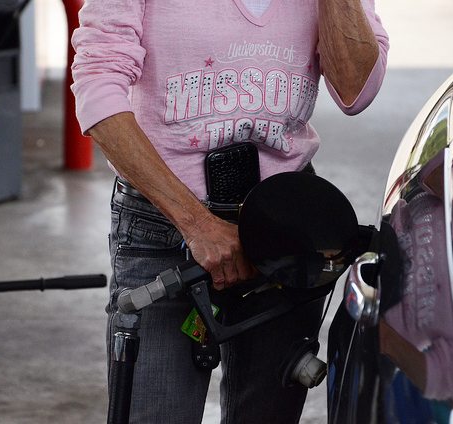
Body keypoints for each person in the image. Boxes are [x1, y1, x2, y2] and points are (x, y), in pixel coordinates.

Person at [71, 0, 389, 422]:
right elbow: (98, 85)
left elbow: (356, 91)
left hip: (283, 227)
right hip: (165, 224)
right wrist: (195, 223)